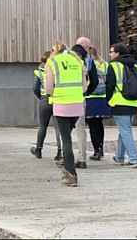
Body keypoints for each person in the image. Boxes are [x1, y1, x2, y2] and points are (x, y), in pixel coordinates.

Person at [45, 43, 88, 187]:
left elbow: (49, 88)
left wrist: (54, 94)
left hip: (62, 104)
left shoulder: (52, 62)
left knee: (66, 139)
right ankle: (67, 169)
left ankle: (71, 174)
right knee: (68, 135)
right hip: (77, 103)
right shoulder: (78, 61)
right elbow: (84, 86)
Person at [105, 43, 137, 168]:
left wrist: (108, 100)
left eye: (111, 52)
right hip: (133, 101)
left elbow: (109, 85)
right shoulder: (134, 65)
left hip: (120, 101)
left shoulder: (114, 65)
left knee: (125, 131)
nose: (110, 54)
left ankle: (134, 158)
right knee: (124, 130)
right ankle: (119, 157)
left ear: (118, 53)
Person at [30, 49, 62, 159]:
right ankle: (60, 152)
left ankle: (38, 150)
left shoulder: (39, 71)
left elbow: (35, 88)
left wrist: (41, 97)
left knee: (42, 126)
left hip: (45, 100)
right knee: (58, 127)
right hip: (57, 99)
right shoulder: (57, 69)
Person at [83, 44, 111, 162]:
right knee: (99, 125)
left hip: (91, 97)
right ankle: (100, 148)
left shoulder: (88, 64)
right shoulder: (105, 64)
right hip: (103, 97)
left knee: (93, 126)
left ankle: (96, 151)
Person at [69, 41, 94, 169]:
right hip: (80, 99)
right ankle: (82, 159)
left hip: (65, 100)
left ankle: (66, 157)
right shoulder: (84, 63)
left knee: (65, 130)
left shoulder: (64, 62)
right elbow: (91, 82)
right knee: (81, 130)